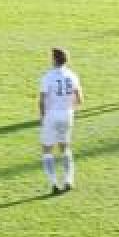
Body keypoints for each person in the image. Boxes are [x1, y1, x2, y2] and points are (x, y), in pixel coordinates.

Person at [39, 48, 83, 195]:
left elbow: (42, 100)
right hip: (67, 114)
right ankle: (69, 180)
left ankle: (54, 183)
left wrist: (43, 118)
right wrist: (69, 108)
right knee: (65, 148)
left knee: (47, 149)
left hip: (52, 115)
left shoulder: (48, 77)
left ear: (55, 60)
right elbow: (80, 99)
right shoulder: (72, 75)